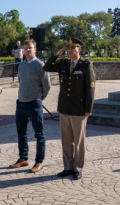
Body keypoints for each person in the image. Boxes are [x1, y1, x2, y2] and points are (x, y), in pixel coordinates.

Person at [44, 37, 95, 180]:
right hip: (64, 107)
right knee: (66, 140)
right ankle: (67, 167)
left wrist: (88, 109)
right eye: (68, 48)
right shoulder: (63, 63)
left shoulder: (86, 65)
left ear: (79, 49)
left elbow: (90, 89)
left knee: (78, 141)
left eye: (73, 47)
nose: (70, 50)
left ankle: (78, 168)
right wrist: (57, 53)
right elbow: (46, 67)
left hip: (79, 109)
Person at [9, 39, 51, 173]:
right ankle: (23, 158)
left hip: (34, 103)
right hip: (21, 103)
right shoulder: (21, 65)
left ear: (35, 49)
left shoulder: (40, 65)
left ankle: (39, 161)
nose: (27, 50)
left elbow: (47, 85)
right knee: (21, 133)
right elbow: (21, 82)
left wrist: (39, 98)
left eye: (30, 47)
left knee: (39, 134)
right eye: (25, 48)